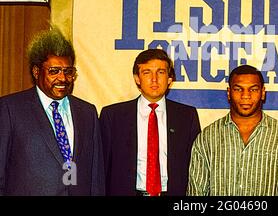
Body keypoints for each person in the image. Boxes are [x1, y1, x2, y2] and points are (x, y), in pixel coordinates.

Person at [0, 27, 104, 195]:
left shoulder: (87, 113)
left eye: (68, 72)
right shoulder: (9, 109)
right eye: (54, 71)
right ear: (36, 72)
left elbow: (95, 177)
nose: (62, 78)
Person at [187, 64, 278, 196]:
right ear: (228, 93)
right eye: (238, 89)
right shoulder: (207, 138)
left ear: (263, 93)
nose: (245, 96)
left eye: (253, 90)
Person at [100, 48, 201, 196]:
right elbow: (101, 168)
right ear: (137, 78)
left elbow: (196, 166)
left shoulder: (187, 116)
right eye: (147, 72)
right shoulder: (113, 116)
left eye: (160, 72)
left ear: (169, 79)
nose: (154, 79)